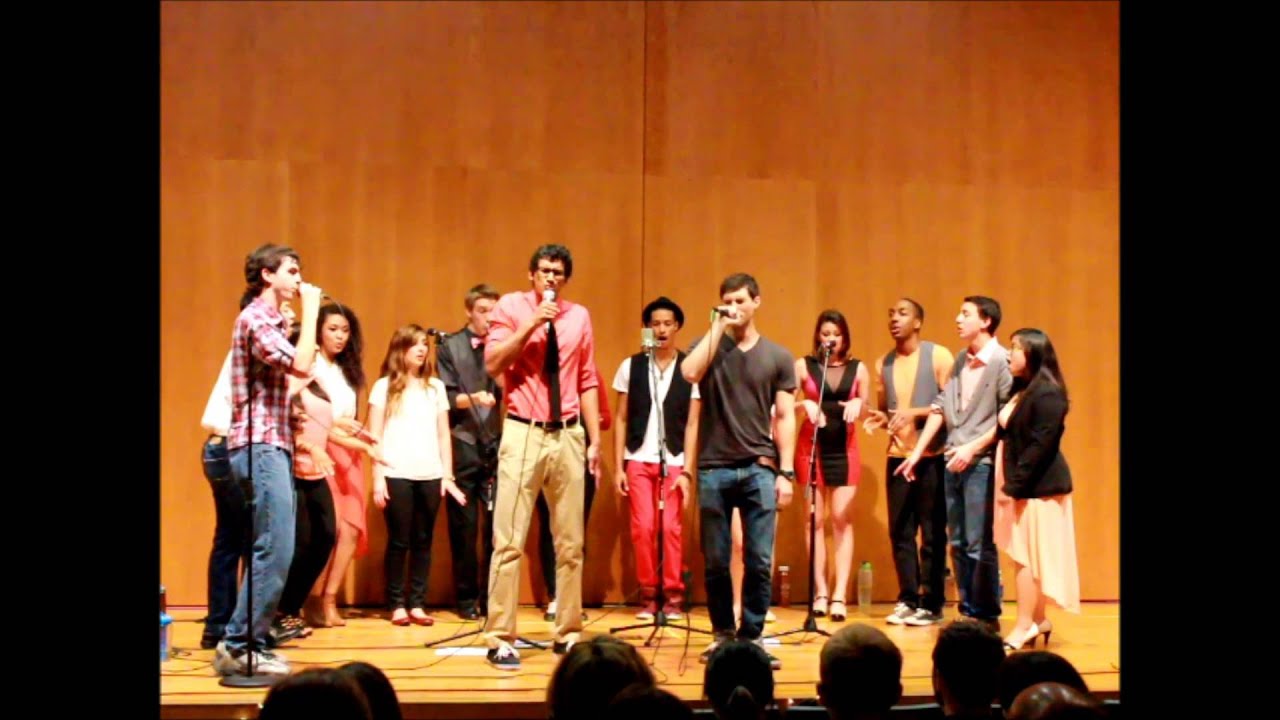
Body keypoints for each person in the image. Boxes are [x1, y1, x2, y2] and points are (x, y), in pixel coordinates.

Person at [482, 244, 603, 670]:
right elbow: (493, 362)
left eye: (558, 272)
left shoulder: (579, 316)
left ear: (565, 279)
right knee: (508, 541)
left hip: (567, 432)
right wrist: (532, 323)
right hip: (523, 430)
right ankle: (500, 636)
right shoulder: (510, 307)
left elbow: (587, 378)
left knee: (571, 543)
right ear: (531, 273)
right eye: (545, 270)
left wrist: (594, 439)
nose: (551, 278)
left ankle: (568, 633)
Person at [212, 244, 322, 678]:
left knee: (276, 546)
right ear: (266, 275)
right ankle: (239, 644)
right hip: (259, 445)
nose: (299, 279)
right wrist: (311, 312)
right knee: (274, 546)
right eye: (291, 271)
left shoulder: (270, 322)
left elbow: (277, 385)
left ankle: (248, 641)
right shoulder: (255, 317)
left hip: (271, 443)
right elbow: (302, 363)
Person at [681, 272, 796, 669]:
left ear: (756, 302)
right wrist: (717, 327)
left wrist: (786, 472)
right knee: (715, 560)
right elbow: (689, 372)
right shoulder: (708, 347)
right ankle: (722, 636)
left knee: (759, 559)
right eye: (727, 301)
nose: (733, 308)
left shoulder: (778, 356)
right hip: (714, 467)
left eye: (740, 301)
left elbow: (785, 416)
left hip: (759, 467)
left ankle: (752, 636)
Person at [898, 296, 1012, 631]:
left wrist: (973, 448)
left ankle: (986, 615)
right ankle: (967, 609)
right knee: (958, 542)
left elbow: (1006, 419)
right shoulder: (962, 359)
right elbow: (940, 407)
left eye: (965, 314)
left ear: (986, 321)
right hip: (953, 460)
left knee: (979, 542)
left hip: (980, 464)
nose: (958, 319)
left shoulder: (1002, 362)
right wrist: (916, 453)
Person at [863, 298, 954, 627]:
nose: (894, 319)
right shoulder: (883, 363)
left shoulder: (938, 356)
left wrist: (913, 413)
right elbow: (889, 411)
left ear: (917, 322)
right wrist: (880, 418)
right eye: (891, 313)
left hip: (932, 457)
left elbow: (950, 405)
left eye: (902, 313)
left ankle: (932, 602)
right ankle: (907, 598)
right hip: (897, 456)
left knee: (932, 533)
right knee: (901, 531)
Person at [367, 324, 466, 627]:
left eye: (425, 343)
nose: (422, 349)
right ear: (401, 349)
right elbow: (374, 436)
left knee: (423, 541)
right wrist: (378, 477)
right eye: (415, 344)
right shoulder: (384, 387)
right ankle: (396, 603)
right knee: (399, 541)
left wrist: (447, 475)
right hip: (396, 472)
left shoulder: (435, 388)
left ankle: (417, 603)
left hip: (430, 474)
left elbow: (443, 434)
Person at [612, 296, 698, 619]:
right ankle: (649, 595)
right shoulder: (631, 366)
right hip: (637, 457)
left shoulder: (690, 368)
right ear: (647, 328)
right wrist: (619, 465)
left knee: (670, 529)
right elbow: (621, 418)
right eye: (655, 324)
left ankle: (673, 595)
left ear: (677, 327)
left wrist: (687, 470)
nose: (661, 330)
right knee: (643, 528)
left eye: (667, 324)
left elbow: (693, 424)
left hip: (673, 460)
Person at [995, 329, 1079, 650]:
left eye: (1015, 348)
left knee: (1027, 559)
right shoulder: (1023, 389)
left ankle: (1024, 625)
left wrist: (1014, 485)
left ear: (1033, 353)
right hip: (1025, 485)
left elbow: (1040, 445)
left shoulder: (1048, 394)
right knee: (1028, 558)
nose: (1009, 353)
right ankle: (1039, 620)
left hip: (1039, 487)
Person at [793, 309, 869, 622]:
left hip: (844, 449)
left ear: (845, 337)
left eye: (836, 334)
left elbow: (869, 412)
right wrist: (804, 404)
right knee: (814, 520)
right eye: (825, 334)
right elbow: (784, 406)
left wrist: (859, 404)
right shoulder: (803, 365)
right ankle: (820, 593)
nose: (831, 339)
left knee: (841, 518)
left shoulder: (858, 368)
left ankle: (839, 595)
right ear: (818, 336)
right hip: (810, 448)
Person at [435, 283, 504, 620]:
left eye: (494, 311)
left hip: (495, 444)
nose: (489, 318)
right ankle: (465, 600)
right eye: (482, 311)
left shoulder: (502, 345)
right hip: (462, 443)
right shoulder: (450, 346)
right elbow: (446, 398)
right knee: (464, 528)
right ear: (469, 311)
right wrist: (474, 398)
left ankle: (493, 599)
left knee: (497, 529)